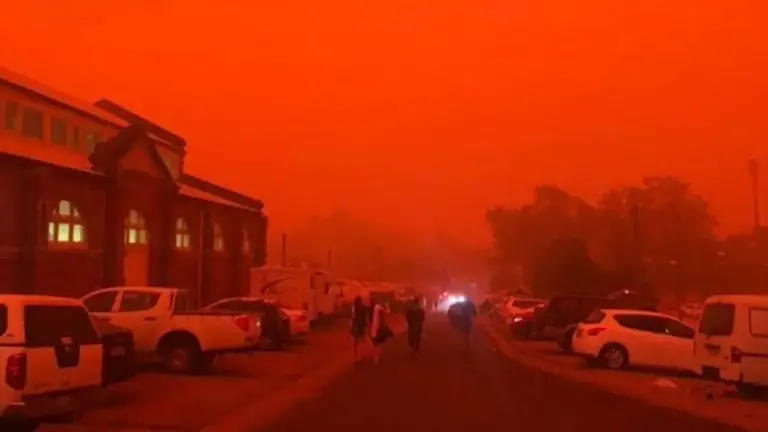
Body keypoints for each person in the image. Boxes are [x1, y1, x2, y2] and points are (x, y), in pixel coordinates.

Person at [369, 296, 393, 365]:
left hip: (372, 328)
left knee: (376, 343)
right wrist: (387, 306)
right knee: (379, 344)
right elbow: (388, 312)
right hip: (378, 327)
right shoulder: (377, 307)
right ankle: (376, 357)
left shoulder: (370, 307)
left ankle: (376, 357)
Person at [350, 296, 369, 361]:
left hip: (356, 324)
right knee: (361, 338)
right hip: (362, 324)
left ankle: (357, 355)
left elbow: (353, 316)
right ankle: (360, 355)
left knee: (356, 341)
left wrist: (352, 324)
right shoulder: (363, 307)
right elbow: (367, 312)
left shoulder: (354, 307)